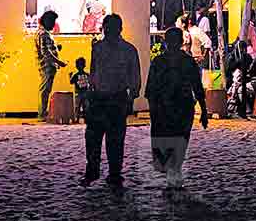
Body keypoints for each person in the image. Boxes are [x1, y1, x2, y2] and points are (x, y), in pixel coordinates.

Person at [82, 15, 141, 187]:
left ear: (119, 29)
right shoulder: (100, 48)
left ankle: (113, 173)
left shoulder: (127, 50)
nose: (107, 31)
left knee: (113, 139)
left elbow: (134, 75)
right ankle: (95, 171)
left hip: (116, 97)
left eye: (110, 28)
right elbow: (93, 72)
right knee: (95, 137)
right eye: (106, 28)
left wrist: (132, 96)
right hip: (101, 97)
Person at [145, 27, 208, 190]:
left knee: (165, 139)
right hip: (182, 106)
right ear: (181, 42)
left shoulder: (158, 62)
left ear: (166, 42)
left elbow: (150, 89)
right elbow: (197, 87)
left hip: (164, 108)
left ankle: (172, 171)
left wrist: (153, 109)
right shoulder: (187, 61)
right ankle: (175, 169)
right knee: (181, 138)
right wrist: (204, 110)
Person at [36, 11, 67, 121]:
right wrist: (59, 62)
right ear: (47, 21)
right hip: (47, 66)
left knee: (45, 90)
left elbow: (46, 50)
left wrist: (56, 48)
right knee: (45, 90)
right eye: (52, 21)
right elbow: (46, 53)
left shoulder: (42, 33)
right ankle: (42, 114)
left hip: (46, 65)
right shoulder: (44, 34)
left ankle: (42, 113)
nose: (54, 24)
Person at [226, 41, 255, 118]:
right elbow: (229, 69)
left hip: (245, 79)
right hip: (234, 79)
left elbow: (251, 68)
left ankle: (245, 108)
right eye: (242, 48)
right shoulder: (233, 57)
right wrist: (238, 62)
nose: (243, 50)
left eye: (244, 48)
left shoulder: (247, 57)